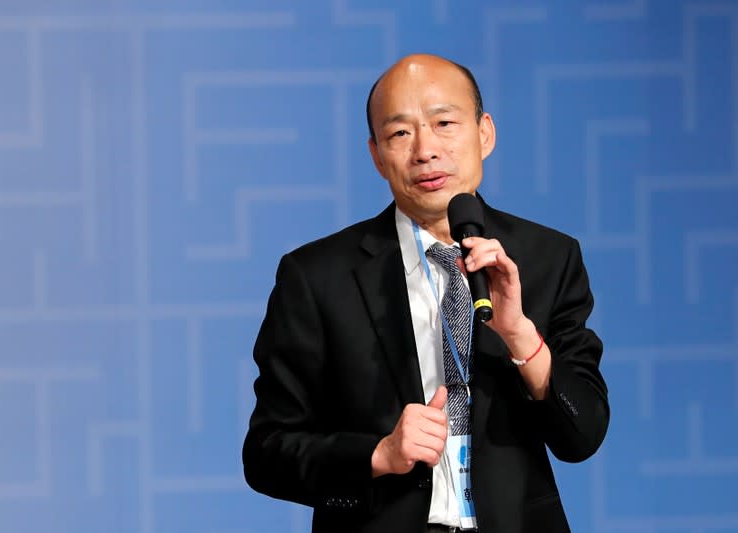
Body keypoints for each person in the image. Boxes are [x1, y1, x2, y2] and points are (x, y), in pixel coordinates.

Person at [242, 53, 609, 533]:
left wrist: (521, 335)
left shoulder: (548, 257)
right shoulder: (316, 276)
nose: (425, 150)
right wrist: (378, 455)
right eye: (400, 133)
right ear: (376, 155)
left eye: (444, 123)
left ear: (485, 133)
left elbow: (582, 435)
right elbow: (267, 452)